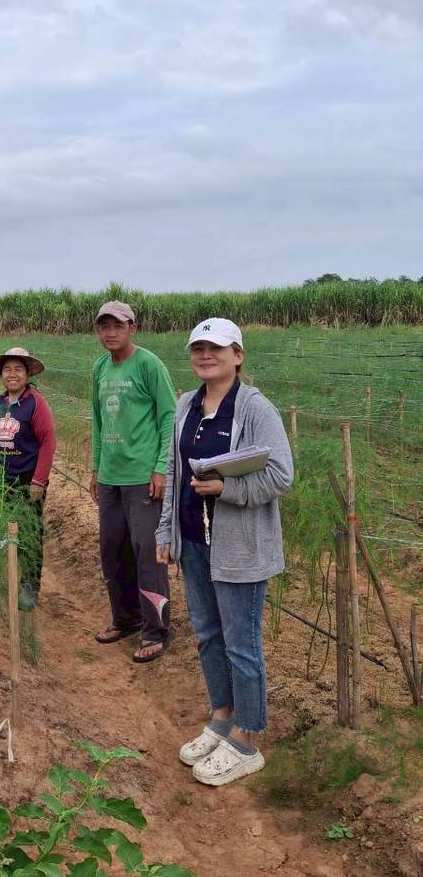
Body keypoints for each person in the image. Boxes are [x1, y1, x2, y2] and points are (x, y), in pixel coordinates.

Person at [156, 318, 293, 786]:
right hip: (195, 542)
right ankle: (221, 716)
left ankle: (247, 739)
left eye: (215, 347)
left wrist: (226, 487)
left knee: (242, 643)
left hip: (240, 547)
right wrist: (166, 532)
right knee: (208, 635)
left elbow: (280, 475)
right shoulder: (185, 405)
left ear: (237, 355)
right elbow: (175, 475)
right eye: (198, 348)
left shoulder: (256, 409)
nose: (205, 355)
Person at [90, 301, 177, 662]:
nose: (110, 332)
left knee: (147, 552)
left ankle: (156, 629)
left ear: (132, 328)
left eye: (118, 326)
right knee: (113, 550)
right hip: (110, 477)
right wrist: (95, 467)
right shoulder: (99, 367)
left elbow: (169, 416)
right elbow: (96, 420)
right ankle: (125, 618)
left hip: (143, 478)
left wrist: (161, 468)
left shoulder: (149, 364)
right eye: (104, 326)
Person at [0, 346, 56, 611]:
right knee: (10, 530)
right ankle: (13, 577)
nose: (12, 374)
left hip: (27, 482)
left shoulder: (35, 403)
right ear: (0, 374)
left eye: (18, 369)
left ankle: (30, 587)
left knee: (30, 534)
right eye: (7, 369)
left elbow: (48, 442)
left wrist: (38, 481)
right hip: (2, 481)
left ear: (27, 373)